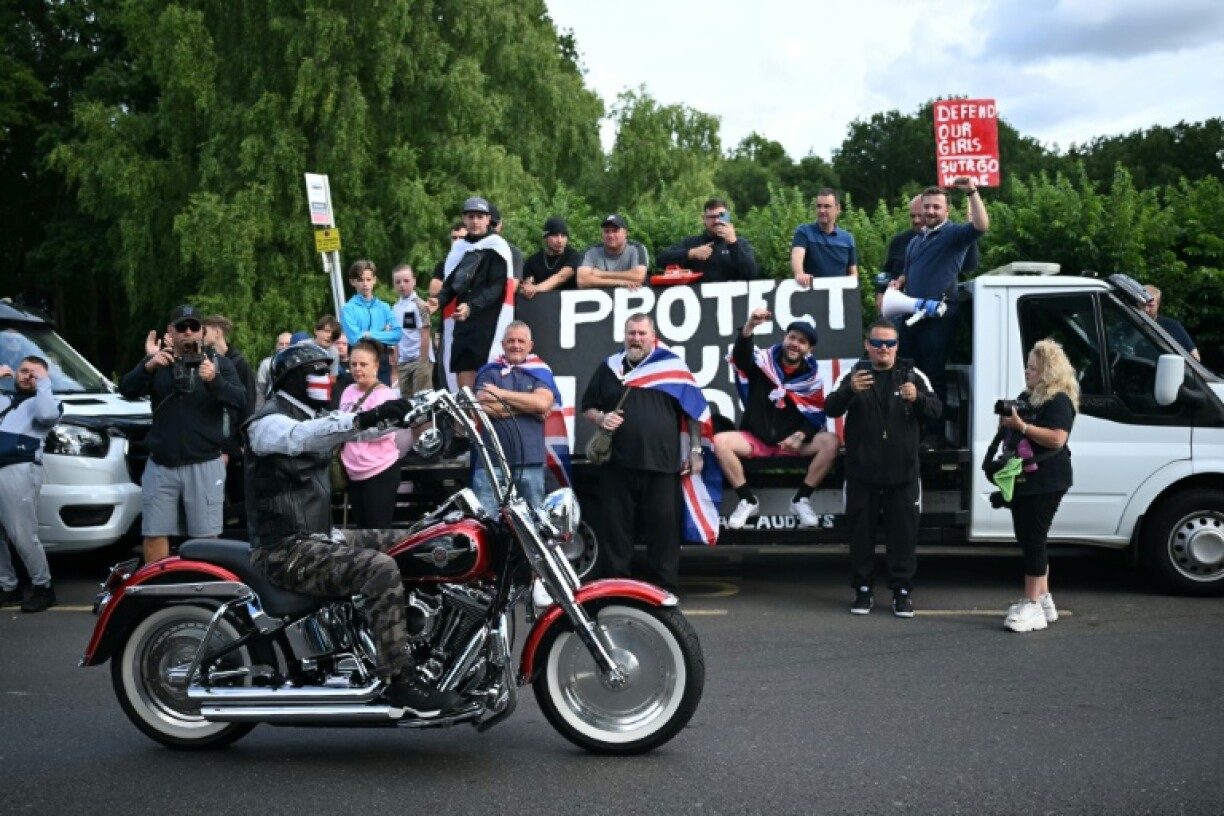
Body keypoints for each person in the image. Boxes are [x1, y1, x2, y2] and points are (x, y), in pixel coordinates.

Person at [244, 343, 456, 713]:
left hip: (320, 536)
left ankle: (419, 634)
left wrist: (406, 414)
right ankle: (398, 678)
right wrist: (366, 417)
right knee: (380, 568)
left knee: (420, 539)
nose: (325, 378)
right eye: (315, 371)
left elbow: (350, 433)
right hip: (285, 549)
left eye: (326, 371)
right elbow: (304, 435)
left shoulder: (315, 413)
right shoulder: (269, 423)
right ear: (291, 378)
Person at [580, 314, 707, 592]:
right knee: (617, 532)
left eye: (641, 333)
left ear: (653, 336)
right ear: (624, 335)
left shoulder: (672, 367)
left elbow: (694, 412)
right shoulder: (609, 368)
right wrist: (601, 419)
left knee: (663, 533)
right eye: (631, 333)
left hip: (662, 465)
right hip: (617, 465)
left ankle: (663, 589)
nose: (636, 338)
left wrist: (696, 450)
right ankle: (617, 588)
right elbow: (587, 406)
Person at [824, 319, 941, 618]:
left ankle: (902, 593)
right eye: (877, 343)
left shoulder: (913, 375)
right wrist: (849, 391)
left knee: (903, 536)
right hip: (862, 472)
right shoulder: (855, 374)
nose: (883, 349)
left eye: (889, 343)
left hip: (903, 473)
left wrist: (918, 399)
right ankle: (863, 590)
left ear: (897, 346)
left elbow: (937, 411)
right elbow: (830, 407)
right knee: (860, 536)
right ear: (868, 345)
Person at [119, 304, 247, 563]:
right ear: (171, 331)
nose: (188, 332)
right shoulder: (159, 361)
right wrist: (148, 365)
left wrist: (215, 380)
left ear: (202, 331)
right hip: (162, 464)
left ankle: (205, 593)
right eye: (181, 327)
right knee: (154, 533)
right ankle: (157, 592)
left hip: (204, 462)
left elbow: (241, 401)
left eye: (193, 326)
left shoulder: (218, 363)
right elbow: (126, 389)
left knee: (206, 538)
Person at [717, 309, 839, 530]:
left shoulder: (811, 378)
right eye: (792, 337)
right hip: (756, 438)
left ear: (809, 349)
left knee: (831, 442)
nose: (795, 344)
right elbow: (741, 358)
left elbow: (816, 414)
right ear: (784, 338)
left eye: (802, 342)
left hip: (791, 443)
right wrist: (749, 327)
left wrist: (801, 435)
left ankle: (801, 499)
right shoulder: (762, 362)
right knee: (720, 441)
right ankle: (747, 499)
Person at [891, 177, 989, 446]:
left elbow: (981, 225)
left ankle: (934, 435)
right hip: (911, 316)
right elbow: (910, 273)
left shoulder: (954, 234)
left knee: (933, 375)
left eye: (936, 207)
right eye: (927, 207)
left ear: (947, 211)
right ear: (920, 210)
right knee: (907, 374)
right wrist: (900, 281)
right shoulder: (915, 241)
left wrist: (971, 191)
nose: (931, 212)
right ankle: (911, 431)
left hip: (938, 318)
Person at [994, 339, 1079, 633]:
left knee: (1033, 539)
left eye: (1033, 368)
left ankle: (1031, 606)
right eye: (1028, 367)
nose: (1027, 372)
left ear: (1049, 370)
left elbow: (1057, 438)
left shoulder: (1059, 400)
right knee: (1032, 537)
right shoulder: (1029, 397)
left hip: (1047, 477)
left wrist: (1023, 427)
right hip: (1028, 476)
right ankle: (1043, 599)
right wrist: (1008, 425)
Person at [471, 321, 560, 514]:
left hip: (530, 461)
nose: (516, 345)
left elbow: (542, 404)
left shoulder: (541, 372)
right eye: (511, 341)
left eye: (521, 341)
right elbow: (483, 407)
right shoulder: (489, 371)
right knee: (487, 524)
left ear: (530, 345)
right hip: (490, 462)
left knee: (534, 525)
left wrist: (501, 394)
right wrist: (529, 407)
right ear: (503, 344)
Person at [0, 356, 63, 612]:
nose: (27, 377)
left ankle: (43, 588)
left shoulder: (46, 402)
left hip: (19, 468)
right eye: (23, 371)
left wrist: (43, 384)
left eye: (34, 374)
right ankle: (8, 587)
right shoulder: (4, 398)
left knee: (22, 534)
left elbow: (47, 415)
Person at [434, 197, 513, 392]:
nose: (475, 221)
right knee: (465, 391)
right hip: (463, 323)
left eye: (479, 217)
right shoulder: (459, 248)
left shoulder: (498, 247)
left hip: (488, 324)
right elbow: (451, 285)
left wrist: (472, 306)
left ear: (488, 220)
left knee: (487, 383)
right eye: (471, 217)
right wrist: (438, 301)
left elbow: (497, 287)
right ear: (464, 219)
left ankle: (487, 422)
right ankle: (465, 421)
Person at [338, 339, 404, 528]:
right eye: (354, 364)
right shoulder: (347, 391)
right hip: (353, 471)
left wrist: (352, 430)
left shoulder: (385, 395)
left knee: (378, 530)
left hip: (379, 469)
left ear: (376, 366)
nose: (358, 369)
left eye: (363, 364)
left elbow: (384, 432)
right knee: (361, 529)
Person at [881, 195, 979, 314]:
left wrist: (970, 238)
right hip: (901, 308)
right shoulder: (902, 241)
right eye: (912, 216)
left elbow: (969, 266)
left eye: (920, 215)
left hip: (935, 309)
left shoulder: (949, 237)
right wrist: (881, 292)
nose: (916, 220)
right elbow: (888, 271)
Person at [203, 314, 256, 523]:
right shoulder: (205, 361)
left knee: (239, 497)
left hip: (235, 443)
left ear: (217, 332)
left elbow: (247, 402)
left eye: (204, 331)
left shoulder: (238, 363)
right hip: (216, 440)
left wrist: (243, 441)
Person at [656, 198, 759, 283]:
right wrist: (691, 253)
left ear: (728, 217)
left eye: (721, 216)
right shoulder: (691, 243)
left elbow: (752, 274)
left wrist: (733, 244)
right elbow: (661, 259)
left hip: (731, 303)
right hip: (700, 303)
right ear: (703, 218)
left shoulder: (741, 243)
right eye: (712, 217)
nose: (717, 221)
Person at [341, 262, 400, 386]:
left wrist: (368, 334)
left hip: (381, 359)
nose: (365, 284)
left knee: (384, 400)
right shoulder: (348, 308)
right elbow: (354, 338)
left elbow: (397, 335)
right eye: (360, 280)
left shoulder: (384, 307)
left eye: (368, 279)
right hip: (360, 362)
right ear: (353, 282)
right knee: (364, 399)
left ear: (374, 280)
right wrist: (383, 333)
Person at [790, 188, 858, 287]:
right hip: (811, 294)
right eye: (819, 206)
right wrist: (800, 273)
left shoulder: (847, 238)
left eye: (827, 206)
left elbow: (853, 272)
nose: (822, 210)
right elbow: (797, 256)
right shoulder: (804, 231)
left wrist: (850, 287)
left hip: (838, 296)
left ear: (838, 209)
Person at [390, 264, 432, 396]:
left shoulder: (419, 305)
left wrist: (423, 361)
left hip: (418, 359)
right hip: (403, 361)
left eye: (406, 281)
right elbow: (397, 334)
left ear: (414, 281)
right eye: (398, 282)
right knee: (406, 400)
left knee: (422, 398)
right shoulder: (395, 308)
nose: (402, 285)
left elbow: (425, 334)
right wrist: (397, 358)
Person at [576, 214, 649, 290]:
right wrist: (621, 283)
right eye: (606, 231)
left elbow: (638, 277)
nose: (610, 235)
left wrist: (601, 274)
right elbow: (582, 281)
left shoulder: (636, 248)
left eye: (615, 231)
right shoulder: (591, 251)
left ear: (625, 233)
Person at [521, 217, 580, 298]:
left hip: (568, 305)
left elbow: (562, 277)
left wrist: (537, 288)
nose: (559, 240)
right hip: (542, 306)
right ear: (546, 237)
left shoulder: (573, 256)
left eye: (563, 236)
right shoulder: (533, 261)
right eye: (555, 235)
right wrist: (528, 288)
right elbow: (527, 285)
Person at [1143, 284, 1199, 361]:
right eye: (1143, 304)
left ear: (1158, 305)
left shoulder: (1173, 327)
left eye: (1150, 305)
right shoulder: (1128, 320)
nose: (1146, 309)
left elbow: (1195, 358)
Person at [254, 331, 292, 413]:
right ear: (276, 345)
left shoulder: (297, 364)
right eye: (281, 344)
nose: (284, 347)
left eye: (287, 344)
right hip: (270, 408)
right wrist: (259, 412)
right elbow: (260, 391)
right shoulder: (266, 363)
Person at [489, 204, 525, 281]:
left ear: (500, 224)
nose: (490, 229)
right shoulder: (467, 249)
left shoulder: (513, 252)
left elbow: (512, 287)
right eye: (487, 225)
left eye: (493, 225)